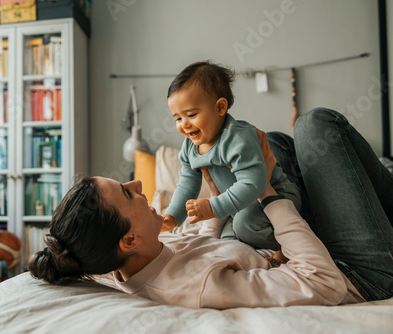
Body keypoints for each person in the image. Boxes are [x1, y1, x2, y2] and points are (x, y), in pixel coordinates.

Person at [28, 108, 393, 309]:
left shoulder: (129, 256)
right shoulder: (194, 287)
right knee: (316, 125)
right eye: (126, 194)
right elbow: (324, 284)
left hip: (290, 248)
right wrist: (265, 192)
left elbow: (204, 247)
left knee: (277, 142)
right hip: (355, 274)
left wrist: (222, 197)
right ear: (128, 240)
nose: (138, 184)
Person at [162, 61, 301, 261]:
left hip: (274, 196)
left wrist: (212, 208)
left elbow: (252, 183)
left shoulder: (237, 138)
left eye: (191, 115)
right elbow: (186, 184)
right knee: (228, 241)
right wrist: (173, 216)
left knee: (244, 226)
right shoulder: (190, 147)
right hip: (237, 206)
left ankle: (289, 247)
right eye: (177, 118)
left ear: (220, 107)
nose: (184, 125)